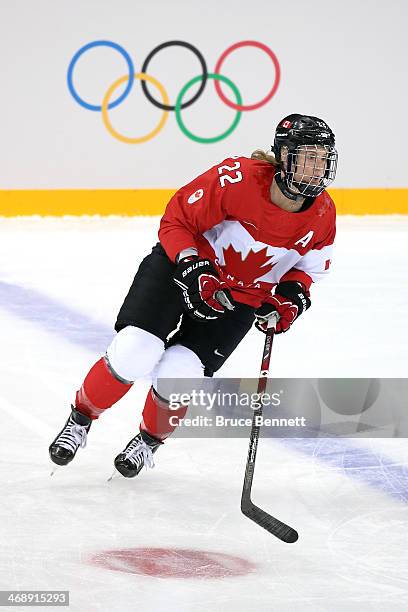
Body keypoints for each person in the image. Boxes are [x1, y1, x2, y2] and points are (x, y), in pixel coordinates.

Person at [49, 113, 338, 477]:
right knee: (136, 349)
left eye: (323, 158)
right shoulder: (237, 179)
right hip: (181, 269)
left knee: (180, 373)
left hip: (238, 299)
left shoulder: (324, 213)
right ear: (284, 156)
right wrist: (192, 265)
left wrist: (291, 298)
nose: (317, 167)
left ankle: (148, 441)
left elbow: (307, 269)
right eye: (308, 156)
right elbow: (176, 220)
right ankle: (81, 418)